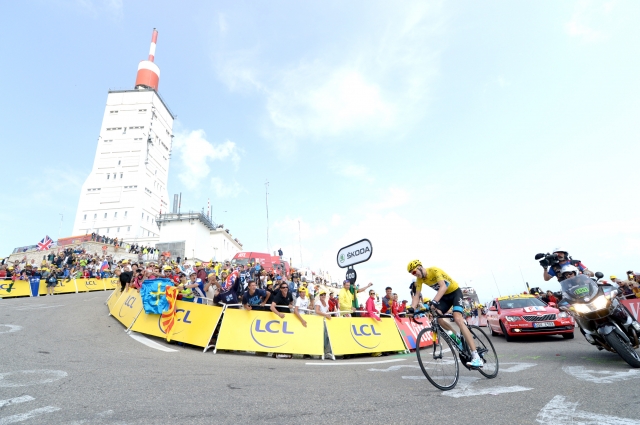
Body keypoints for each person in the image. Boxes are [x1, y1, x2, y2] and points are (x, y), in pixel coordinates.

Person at [406, 260, 483, 368]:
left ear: (420, 267)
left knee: (457, 318)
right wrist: (412, 309)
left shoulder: (434, 270)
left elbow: (443, 286)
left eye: (414, 272)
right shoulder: (419, 280)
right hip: (445, 298)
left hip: (455, 293)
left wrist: (434, 301)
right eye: (412, 274)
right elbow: (417, 295)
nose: (415, 274)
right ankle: (457, 337)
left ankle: (476, 357)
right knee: (438, 317)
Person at [314, 290, 335, 360]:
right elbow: (317, 311)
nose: (323, 296)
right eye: (322, 295)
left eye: (324, 295)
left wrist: (328, 314)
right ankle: (322, 352)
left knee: (327, 337)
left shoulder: (326, 303)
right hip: (319, 321)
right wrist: (326, 315)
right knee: (323, 337)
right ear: (319, 296)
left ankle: (326, 352)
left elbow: (327, 311)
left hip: (324, 321)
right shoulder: (318, 302)